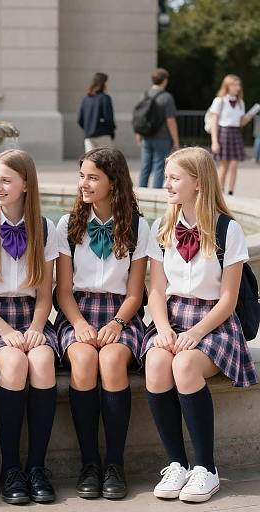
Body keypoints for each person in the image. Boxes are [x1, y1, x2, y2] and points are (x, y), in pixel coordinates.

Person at [142, 147, 257, 503]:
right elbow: (157, 290)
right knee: (158, 362)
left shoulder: (228, 229)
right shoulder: (163, 226)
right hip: (172, 318)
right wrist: (162, 329)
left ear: (198, 183)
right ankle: (177, 464)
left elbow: (228, 299)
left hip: (214, 323)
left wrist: (194, 333)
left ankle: (206, 469)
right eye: (167, 177)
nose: (167, 184)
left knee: (185, 364)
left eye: (175, 178)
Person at [0, 149, 59, 505]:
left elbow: (46, 296)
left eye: (5, 180)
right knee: (15, 364)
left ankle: (36, 466)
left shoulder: (46, 229)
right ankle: (10, 467)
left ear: (26, 185)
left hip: (30, 316)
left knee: (43, 361)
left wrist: (35, 329)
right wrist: (6, 332)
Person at [54, 147, 148, 500]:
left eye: (93, 177)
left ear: (113, 182)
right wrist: (77, 323)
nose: (84, 184)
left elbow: (137, 294)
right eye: (81, 176)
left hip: (121, 313)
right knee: (82, 360)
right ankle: (89, 462)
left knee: (110, 360)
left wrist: (117, 324)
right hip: (77, 311)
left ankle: (115, 463)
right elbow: (62, 290)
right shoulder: (68, 225)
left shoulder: (139, 226)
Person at [210, 75, 254, 195]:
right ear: (227, 86)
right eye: (235, 85)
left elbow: (240, 123)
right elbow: (214, 122)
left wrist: (248, 117)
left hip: (235, 133)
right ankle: (219, 192)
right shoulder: (219, 100)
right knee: (224, 166)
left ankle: (231, 191)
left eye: (239, 85)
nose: (238, 88)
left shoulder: (240, 102)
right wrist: (214, 141)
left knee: (234, 164)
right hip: (224, 132)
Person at [137, 68, 180, 188]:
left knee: (145, 165)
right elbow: (170, 120)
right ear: (165, 81)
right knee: (159, 166)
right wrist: (176, 140)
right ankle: (156, 193)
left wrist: (138, 134)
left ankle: (141, 193)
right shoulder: (167, 97)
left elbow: (141, 116)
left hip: (146, 135)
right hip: (162, 137)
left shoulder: (145, 94)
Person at [78, 72, 116, 152]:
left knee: (91, 162)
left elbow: (80, 120)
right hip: (103, 135)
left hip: (89, 137)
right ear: (103, 84)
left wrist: (88, 129)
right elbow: (108, 118)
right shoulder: (105, 98)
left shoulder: (86, 99)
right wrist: (111, 131)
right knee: (107, 161)